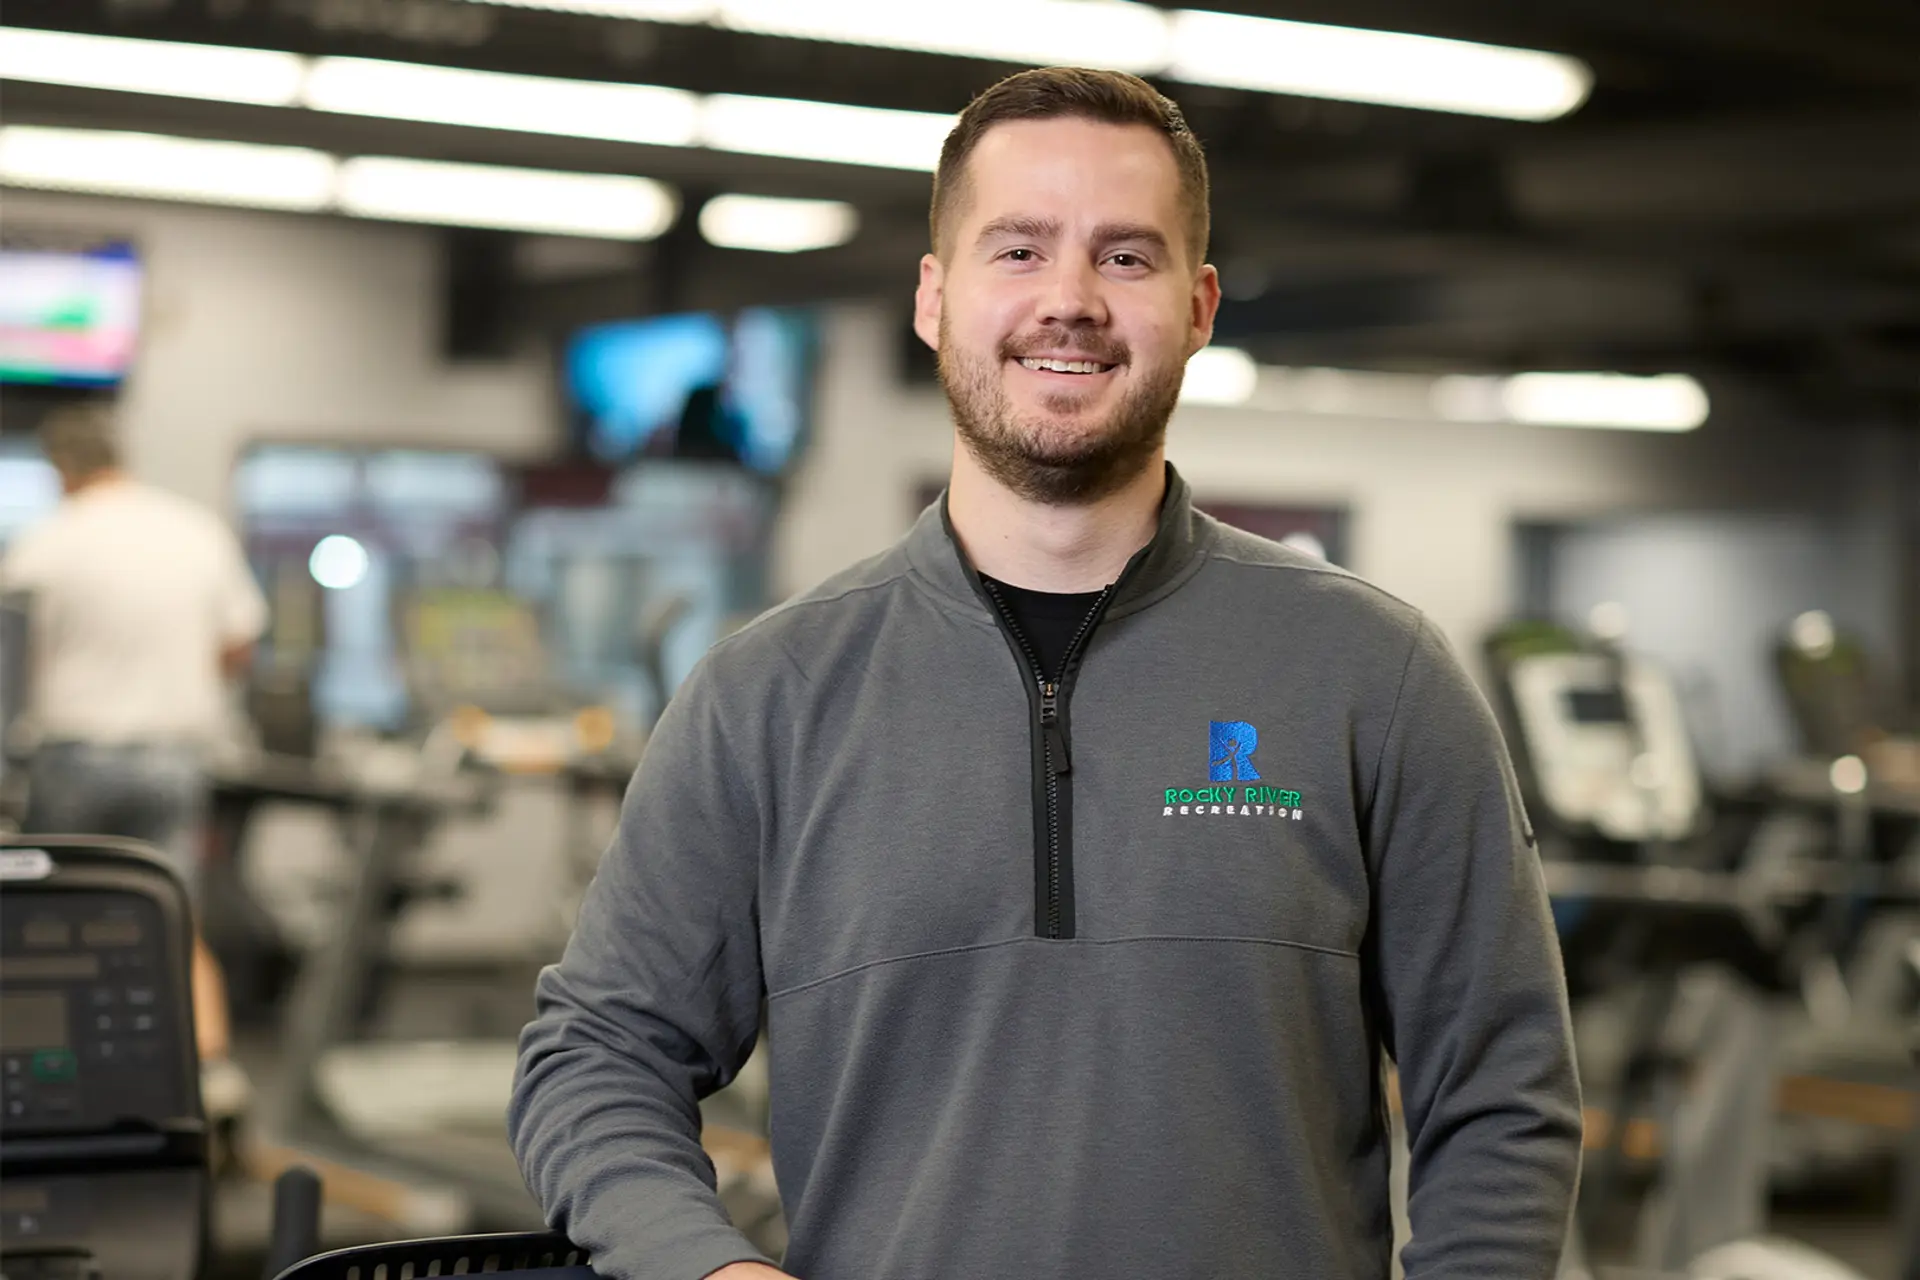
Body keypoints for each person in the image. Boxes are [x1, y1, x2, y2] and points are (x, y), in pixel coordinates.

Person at [510, 67, 1582, 1280]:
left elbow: (1500, 1096)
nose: (1067, 300)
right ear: (934, 296)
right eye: (1017, 249)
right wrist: (707, 1269)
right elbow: (596, 1055)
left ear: (1200, 305)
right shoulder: (769, 696)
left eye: (1126, 257)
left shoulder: (1375, 677)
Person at [2, 402, 267, 1066]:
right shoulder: (194, 530)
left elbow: (13, 657)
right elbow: (239, 647)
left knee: (52, 923)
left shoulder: (49, 540)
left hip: (75, 757)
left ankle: (72, 1070)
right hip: (173, 759)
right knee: (171, 917)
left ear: (62, 470)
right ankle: (207, 1073)